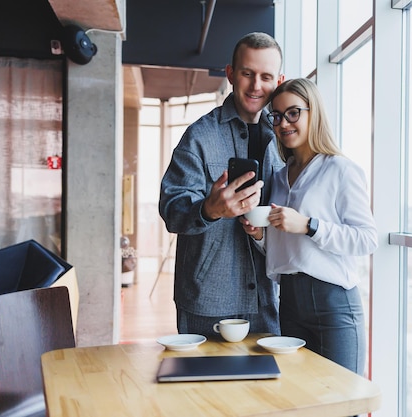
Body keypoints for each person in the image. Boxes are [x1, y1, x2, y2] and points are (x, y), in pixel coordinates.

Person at [243, 78, 378, 375]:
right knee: (300, 400)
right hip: (289, 303)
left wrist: (309, 225)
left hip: (334, 305)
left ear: (313, 113)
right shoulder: (278, 177)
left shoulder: (341, 170)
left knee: (342, 403)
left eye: (293, 113)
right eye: (276, 116)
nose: (283, 123)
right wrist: (260, 236)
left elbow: (367, 239)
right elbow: (287, 247)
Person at [159, 32, 286, 337]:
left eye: (266, 76)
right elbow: (171, 211)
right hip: (208, 301)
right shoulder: (199, 136)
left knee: (266, 385)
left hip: (270, 298)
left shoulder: (287, 137)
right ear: (230, 74)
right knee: (202, 384)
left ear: (279, 81)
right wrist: (209, 209)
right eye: (247, 74)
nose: (257, 86)